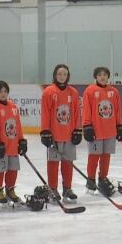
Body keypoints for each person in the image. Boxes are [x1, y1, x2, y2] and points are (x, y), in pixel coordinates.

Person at [40, 64, 82, 202]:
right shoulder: (48, 91)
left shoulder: (73, 92)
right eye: (59, 74)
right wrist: (45, 131)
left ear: (68, 76)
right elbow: (45, 113)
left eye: (64, 74)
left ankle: (67, 188)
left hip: (69, 134)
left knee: (67, 163)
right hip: (54, 135)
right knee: (53, 163)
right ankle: (53, 189)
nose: (62, 76)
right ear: (55, 75)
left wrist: (77, 130)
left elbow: (76, 112)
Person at [82, 66, 122, 196]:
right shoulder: (90, 90)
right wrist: (87, 125)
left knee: (106, 156)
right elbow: (86, 109)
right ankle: (91, 179)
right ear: (96, 76)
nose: (102, 76)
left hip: (110, 130)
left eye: (105, 74)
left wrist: (120, 126)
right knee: (94, 156)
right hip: (96, 131)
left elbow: (117, 110)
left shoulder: (114, 91)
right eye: (100, 74)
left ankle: (103, 178)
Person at [0, 81, 27, 206]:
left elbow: (17, 125)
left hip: (13, 145)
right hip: (0, 147)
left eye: (5, 91)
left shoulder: (13, 107)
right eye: (0, 92)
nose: (3, 94)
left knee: (13, 169)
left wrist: (21, 140)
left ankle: (10, 190)